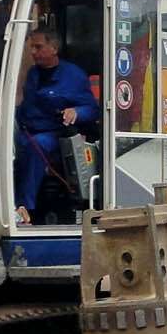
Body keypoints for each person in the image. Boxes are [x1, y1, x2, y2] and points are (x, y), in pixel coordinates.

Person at [14, 30, 97, 224]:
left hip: (54, 133)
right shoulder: (33, 74)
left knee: (36, 146)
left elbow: (92, 109)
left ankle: (25, 208)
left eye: (38, 47)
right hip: (27, 128)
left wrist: (76, 112)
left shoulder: (73, 76)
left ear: (54, 48)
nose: (33, 52)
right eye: (31, 48)